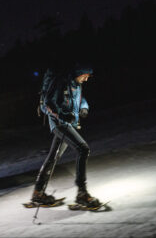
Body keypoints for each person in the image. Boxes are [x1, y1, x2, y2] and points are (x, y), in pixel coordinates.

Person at [31, 67, 101, 208]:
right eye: (85, 76)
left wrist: (84, 108)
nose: (86, 79)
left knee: (53, 157)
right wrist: (62, 115)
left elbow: (80, 99)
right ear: (79, 73)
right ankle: (82, 193)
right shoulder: (61, 82)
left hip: (69, 123)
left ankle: (38, 193)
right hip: (60, 124)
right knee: (83, 149)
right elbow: (49, 103)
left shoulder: (77, 85)